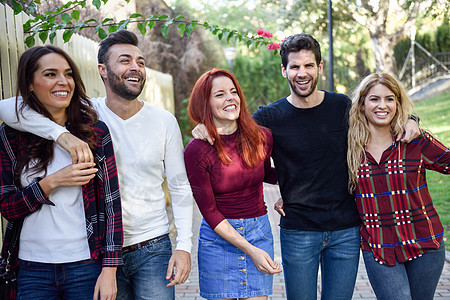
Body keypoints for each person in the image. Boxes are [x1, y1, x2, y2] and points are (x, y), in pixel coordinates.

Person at [193, 33, 421, 299]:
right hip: (298, 231)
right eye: (295, 66)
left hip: (345, 230)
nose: (302, 73)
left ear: (320, 68)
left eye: (309, 65)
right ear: (284, 71)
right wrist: (204, 126)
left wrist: (411, 119)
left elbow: (381, 117)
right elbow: (234, 136)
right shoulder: (269, 117)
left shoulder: (341, 106)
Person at [0, 30, 193, 300]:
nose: (135, 67)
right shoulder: (84, 115)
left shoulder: (162, 121)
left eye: (140, 61)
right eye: (125, 60)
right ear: (102, 70)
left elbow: (180, 186)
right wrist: (62, 136)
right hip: (98, 252)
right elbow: (8, 109)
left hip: (151, 245)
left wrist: (184, 246)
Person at [0, 45, 123, 300]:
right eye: (50, 74)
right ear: (30, 84)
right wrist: (52, 182)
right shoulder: (11, 135)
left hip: (85, 265)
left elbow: (112, 206)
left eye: (68, 74)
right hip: (32, 268)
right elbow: (7, 208)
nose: (63, 82)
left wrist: (110, 269)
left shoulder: (95, 132)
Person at [347, 73, 448, 300]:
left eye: (390, 99)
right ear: (362, 104)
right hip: (378, 246)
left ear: (398, 103)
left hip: (425, 242)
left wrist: (414, 121)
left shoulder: (415, 141)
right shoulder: (350, 146)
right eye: (374, 99)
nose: (382, 105)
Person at [185, 68, 282, 300]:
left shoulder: (261, 137)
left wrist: (292, 191)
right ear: (205, 103)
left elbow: (268, 173)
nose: (230, 98)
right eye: (219, 94)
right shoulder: (197, 151)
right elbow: (208, 211)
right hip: (218, 240)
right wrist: (250, 250)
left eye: (233, 91)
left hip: (259, 232)